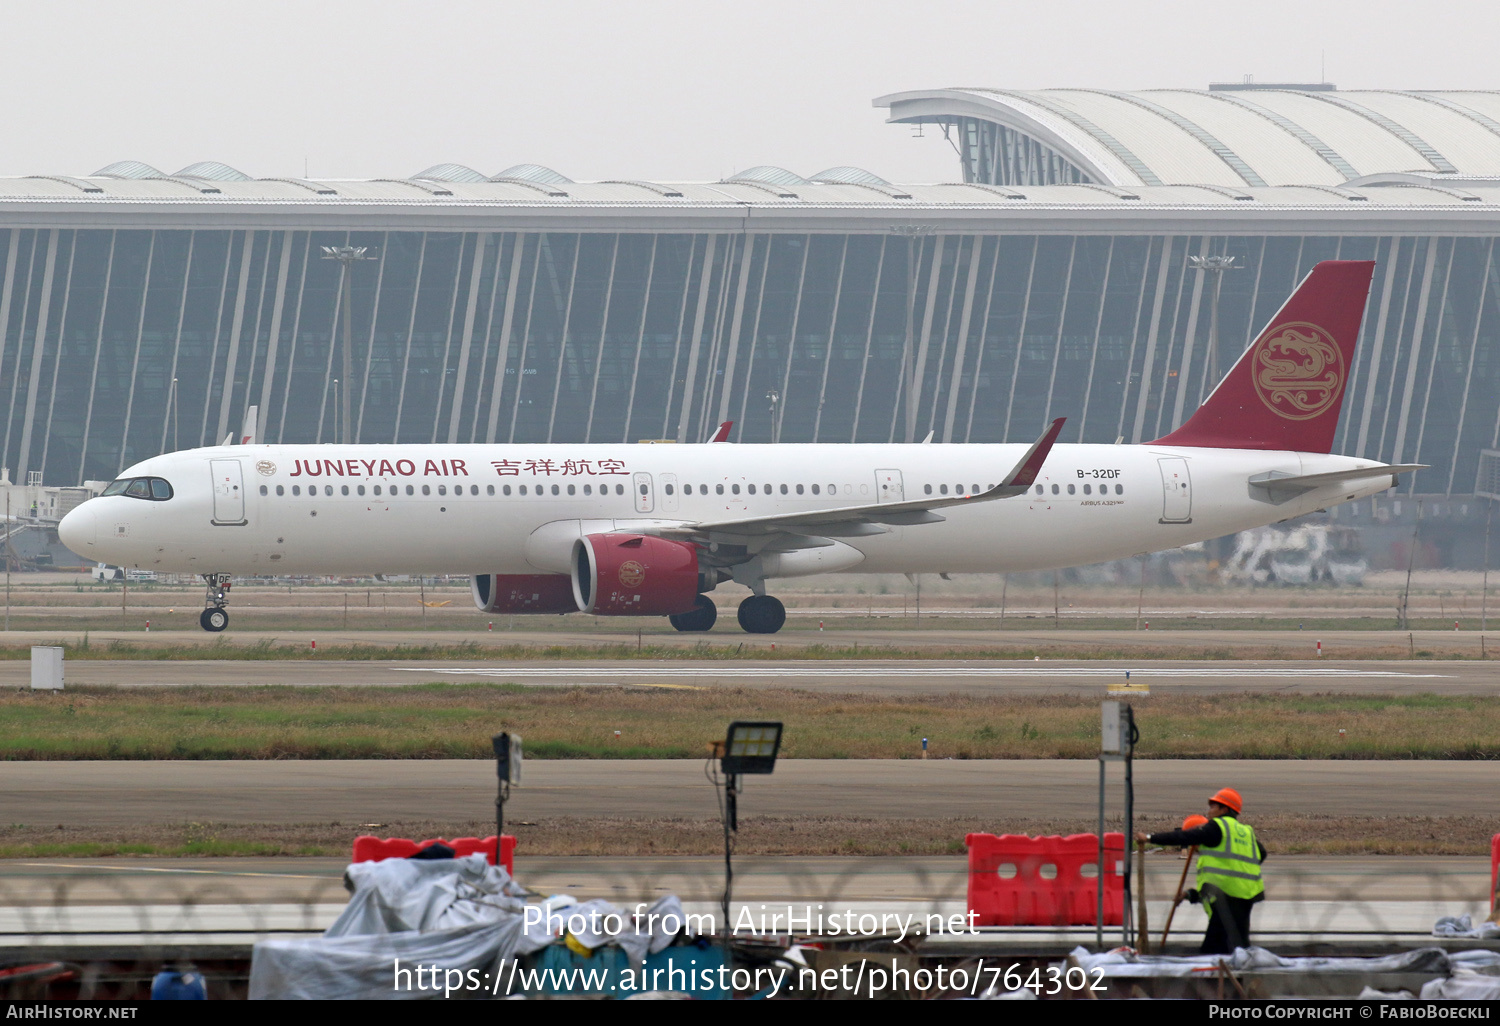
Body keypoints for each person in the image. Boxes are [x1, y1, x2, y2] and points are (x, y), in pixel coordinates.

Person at [1136, 788, 1266, 954]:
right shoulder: (1245, 831)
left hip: (1227, 896)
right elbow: (1261, 854)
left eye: (1213, 807)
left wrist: (1149, 838)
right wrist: (1190, 895)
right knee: (1238, 950)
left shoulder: (1217, 827)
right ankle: (1234, 979)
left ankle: (1216, 979)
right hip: (1247, 895)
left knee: (1212, 951)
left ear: (1224, 809)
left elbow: (1183, 837)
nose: (1209, 811)